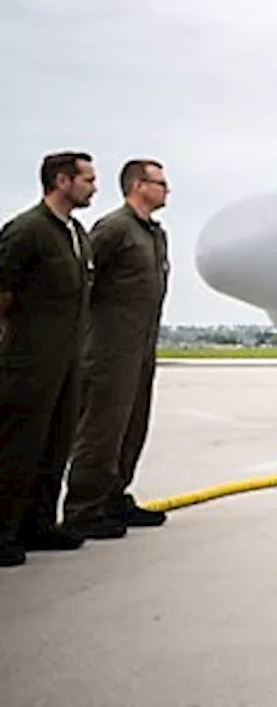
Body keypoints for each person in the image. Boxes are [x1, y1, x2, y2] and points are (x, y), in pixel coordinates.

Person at [0, 152, 98, 567]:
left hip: (68, 358)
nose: (94, 187)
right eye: (87, 179)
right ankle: (2, 529)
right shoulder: (27, 231)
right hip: (29, 359)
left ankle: (38, 523)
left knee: (55, 443)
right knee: (16, 446)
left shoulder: (76, 232)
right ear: (62, 181)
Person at [65, 159, 171, 538]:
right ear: (138, 185)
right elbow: (83, 278)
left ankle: (114, 497)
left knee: (132, 426)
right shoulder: (114, 230)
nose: (166, 190)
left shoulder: (154, 234)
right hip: (110, 348)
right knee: (102, 430)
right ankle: (84, 508)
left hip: (141, 347)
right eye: (160, 183)